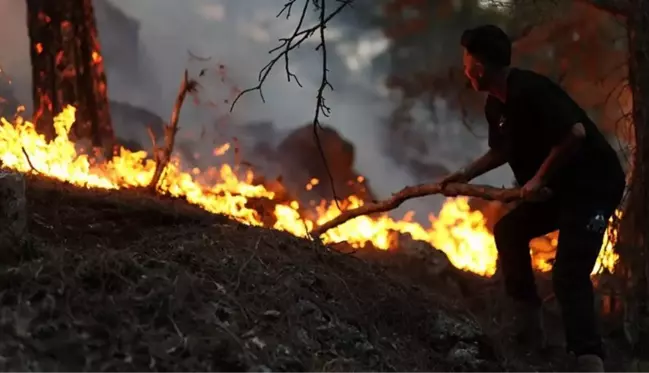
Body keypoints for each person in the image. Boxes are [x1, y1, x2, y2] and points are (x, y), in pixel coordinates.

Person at [442, 24, 626, 373]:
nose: (464, 68)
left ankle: (589, 359)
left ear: (479, 66)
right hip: (556, 190)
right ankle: (529, 333)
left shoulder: (531, 91)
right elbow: (502, 150)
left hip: (593, 189)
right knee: (509, 231)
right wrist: (465, 174)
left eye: (467, 60)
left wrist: (538, 177)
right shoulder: (496, 107)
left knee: (569, 274)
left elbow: (574, 133)